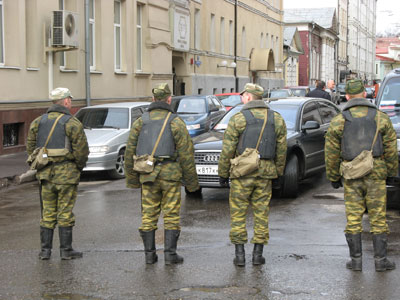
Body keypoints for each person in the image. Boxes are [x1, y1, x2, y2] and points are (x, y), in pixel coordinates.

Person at [325, 79, 398, 272]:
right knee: (378, 217)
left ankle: (356, 261)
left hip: (351, 174)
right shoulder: (381, 117)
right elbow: (390, 148)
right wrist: (391, 172)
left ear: (347, 96)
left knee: (354, 217)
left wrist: (333, 176)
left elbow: (331, 152)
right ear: (365, 94)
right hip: (376, 173)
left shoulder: (340, 120)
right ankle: (381, 261)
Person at [124, 83, 199, 265]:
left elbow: (129, 151)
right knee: (171, 214)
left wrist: (133, 180)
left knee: (148, 214)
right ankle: (170, 255)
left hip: (147, 175)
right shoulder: (176, 122)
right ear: (168, 99)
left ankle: (150, 255)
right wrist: (192, 184)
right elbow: (186, 154)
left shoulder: (140, 121)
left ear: (153, 99)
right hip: (170, 175)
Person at [218, 83, 287, 266]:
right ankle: (258, 255)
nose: (242, 98)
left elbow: (227, 150)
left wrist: (223, 173)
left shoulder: (238, 119)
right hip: (265, 173)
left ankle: (239, 256)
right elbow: (281, 150)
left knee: (238, 213)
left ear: (248, 97)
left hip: (242, 172)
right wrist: (278, 173)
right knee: (261, 213)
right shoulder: (276, 119)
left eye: (243, 95)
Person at [26, 87, 89, 260]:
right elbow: (82, 151)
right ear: (67, 101)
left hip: (45, 175)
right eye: (70, 99)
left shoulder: (38, 122)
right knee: (65, 212)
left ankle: (45, 251)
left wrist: (40, 164)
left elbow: (31, 148)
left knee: (47, 212)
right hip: (67, 174)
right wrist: (78, 167)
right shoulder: (72, 123)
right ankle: (66, 251)